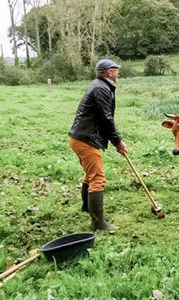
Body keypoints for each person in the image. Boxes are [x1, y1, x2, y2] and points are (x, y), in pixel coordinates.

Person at [69, 59, 127, 231]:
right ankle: (98, 223)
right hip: (85, 139)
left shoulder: (99, 85)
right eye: (116, 70)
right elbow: (106, 118)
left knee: (90, 175)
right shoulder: (101, 89)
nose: (118, 73)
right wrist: (118, 141)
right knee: (97, 178)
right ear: (109, 72)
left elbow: (105, 118)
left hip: (79, 137)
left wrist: (116, 140)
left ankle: (87, 207)